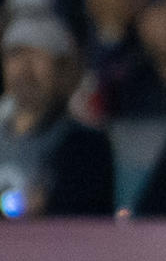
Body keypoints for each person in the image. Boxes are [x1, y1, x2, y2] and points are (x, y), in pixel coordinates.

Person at [0, 14, 114, 218]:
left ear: (62, 70)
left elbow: (79, 212)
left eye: (38, 55)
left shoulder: (86, 144)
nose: (25, 69)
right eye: (16, 54)